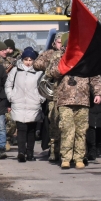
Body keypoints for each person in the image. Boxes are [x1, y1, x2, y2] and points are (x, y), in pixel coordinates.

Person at [44, 44, 101, 170]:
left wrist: (97, 93)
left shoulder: (86, 59)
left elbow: (95, 78)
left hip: (82, 100)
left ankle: (79, 158)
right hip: (65, 101)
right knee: (67, 129)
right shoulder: (59, 59)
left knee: (81, 131)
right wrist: (65, 62)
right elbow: (50, 73)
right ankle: (66, 158)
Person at [5, 47, 44, 162]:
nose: (28, 62)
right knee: (21, 129)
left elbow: (43, 87)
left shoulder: (39, 72)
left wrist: (40, 99)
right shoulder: (15, 71)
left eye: (31, 59)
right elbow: (8, 85)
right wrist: (11, 97)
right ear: (22, 60)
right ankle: (21, 152)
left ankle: (30, 153)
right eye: (26, 59)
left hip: (34, 104)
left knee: (31, 131)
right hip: (19, 103)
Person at [35, 32, 65, 161]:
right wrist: (52, 65)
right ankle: (53, 149)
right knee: (53, 122)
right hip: (53, 94)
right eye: (59, 42)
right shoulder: (49, 54)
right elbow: (37, 64)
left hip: (69, 94)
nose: (61, 45)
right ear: (54, 43)